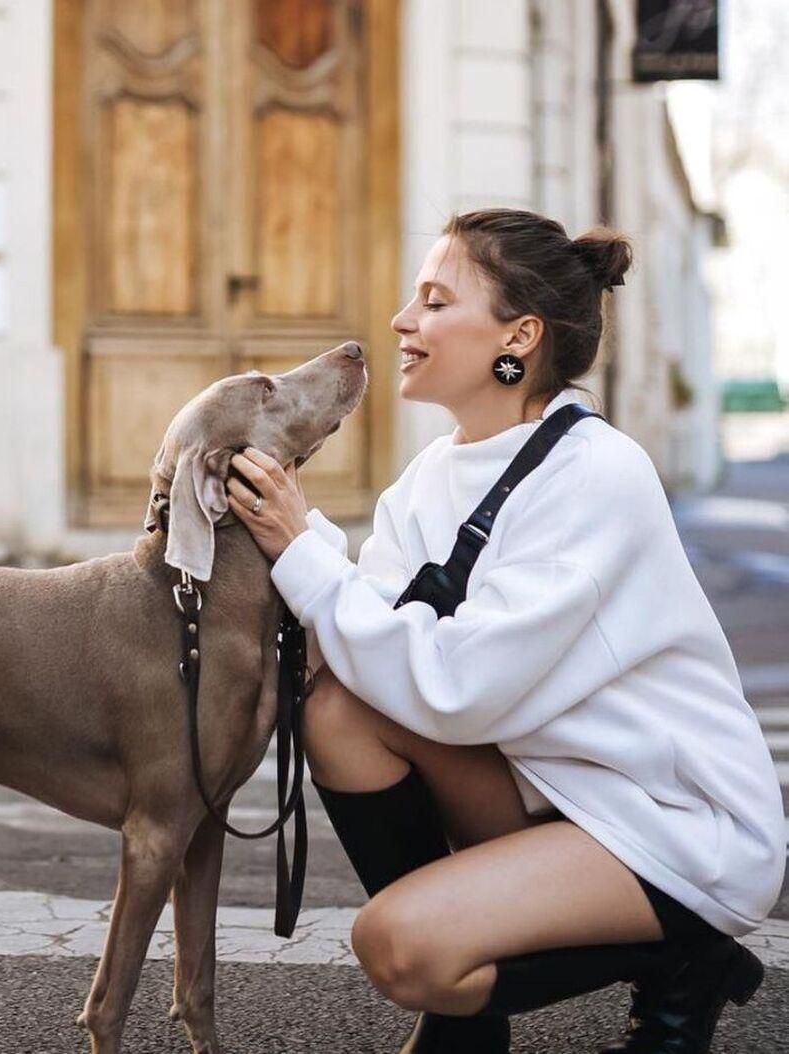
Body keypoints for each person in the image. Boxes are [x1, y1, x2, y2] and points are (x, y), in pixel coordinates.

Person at [223, 208, 785, 1054]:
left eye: (436, 300)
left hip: (665, 818)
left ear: (516, 336)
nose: (402, 321)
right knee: (338, 710)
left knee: (397, 947)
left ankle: (687, 958)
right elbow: (368, 641)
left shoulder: (596, 473)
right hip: (545, 788)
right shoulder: (427, 481)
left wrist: (305, 551)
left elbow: (457, 688)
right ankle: (468, 1009)